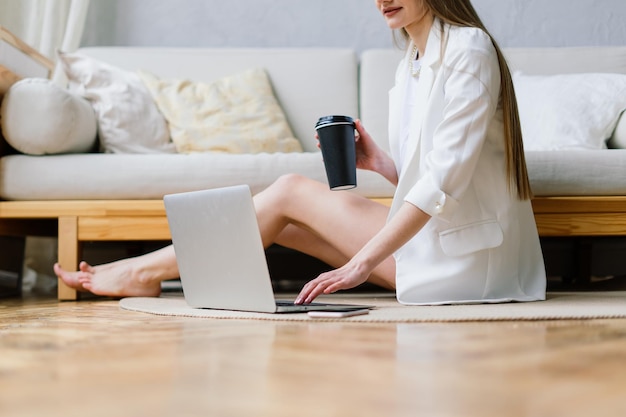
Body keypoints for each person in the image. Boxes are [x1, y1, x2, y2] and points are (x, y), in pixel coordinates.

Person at [54, 0, 546, 305]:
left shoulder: (468, 49)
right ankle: (169, 278)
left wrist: (356, 266)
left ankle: (141, 270)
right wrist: (380, 164)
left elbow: (443, 184)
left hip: (468, 262)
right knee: (283, 222)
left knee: (289, 190)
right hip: (432, 242)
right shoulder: (411, 64)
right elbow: (433, 177)